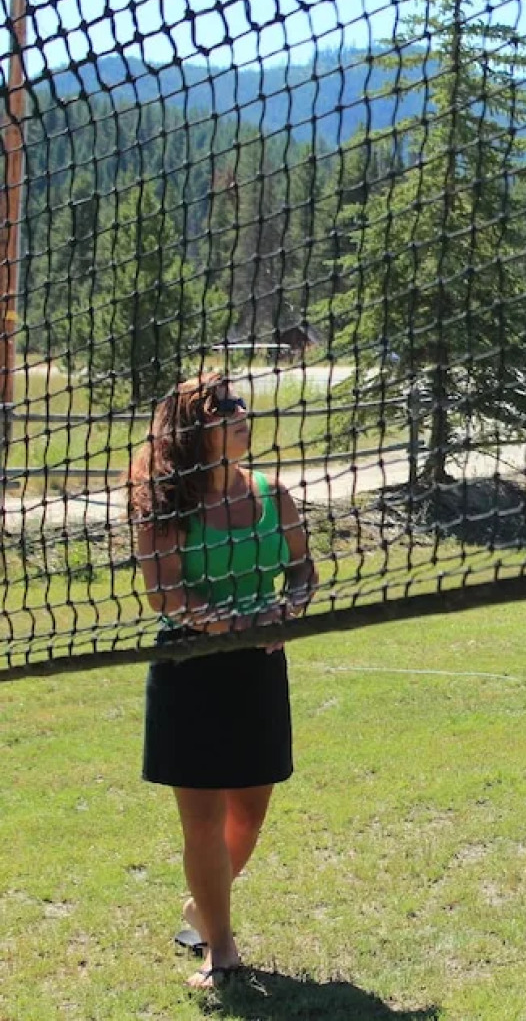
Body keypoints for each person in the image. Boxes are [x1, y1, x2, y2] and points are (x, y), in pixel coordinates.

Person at [127, 373, 318, 986]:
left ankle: (201, 906)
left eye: (241, 405)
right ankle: (222, 948)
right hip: (190, 669)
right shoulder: (165, 504)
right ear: (192, 430)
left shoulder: (274, 493)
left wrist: (289, 610)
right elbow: (166, 596)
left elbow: (303, 569)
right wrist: (238, 622)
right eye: (224, 408)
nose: (242, 412)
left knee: (250, 815)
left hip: (257, 667)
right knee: (202, 819)